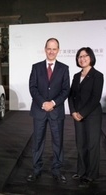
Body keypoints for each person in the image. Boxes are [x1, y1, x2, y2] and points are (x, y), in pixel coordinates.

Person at [27, 38, 70, 183]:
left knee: (58, 142)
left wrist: (53, 103)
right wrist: (43, 103)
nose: (51, 51)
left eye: (54, 49)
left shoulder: (64, 68)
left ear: (58, 50)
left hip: (56, 112)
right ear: (45, 49)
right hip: (40, 110)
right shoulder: (36, 67)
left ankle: (57, 171)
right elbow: (32, 88)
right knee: (38, 142)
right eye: (49, 48)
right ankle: (36, 170)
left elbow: (66, 90)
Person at [68, 47, 104, 186]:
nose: (82, 59)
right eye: (79, 56)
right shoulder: (77, 76)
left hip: (92, 115)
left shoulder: (98, 75)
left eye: (85, 56)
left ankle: (92, 174)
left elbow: (95, 97)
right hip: (77, 115)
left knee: (92, 145)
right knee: (80, 144)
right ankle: (81, 170)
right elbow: (71, 95)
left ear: (91, 58)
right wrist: (73, 112)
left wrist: (82, 113)